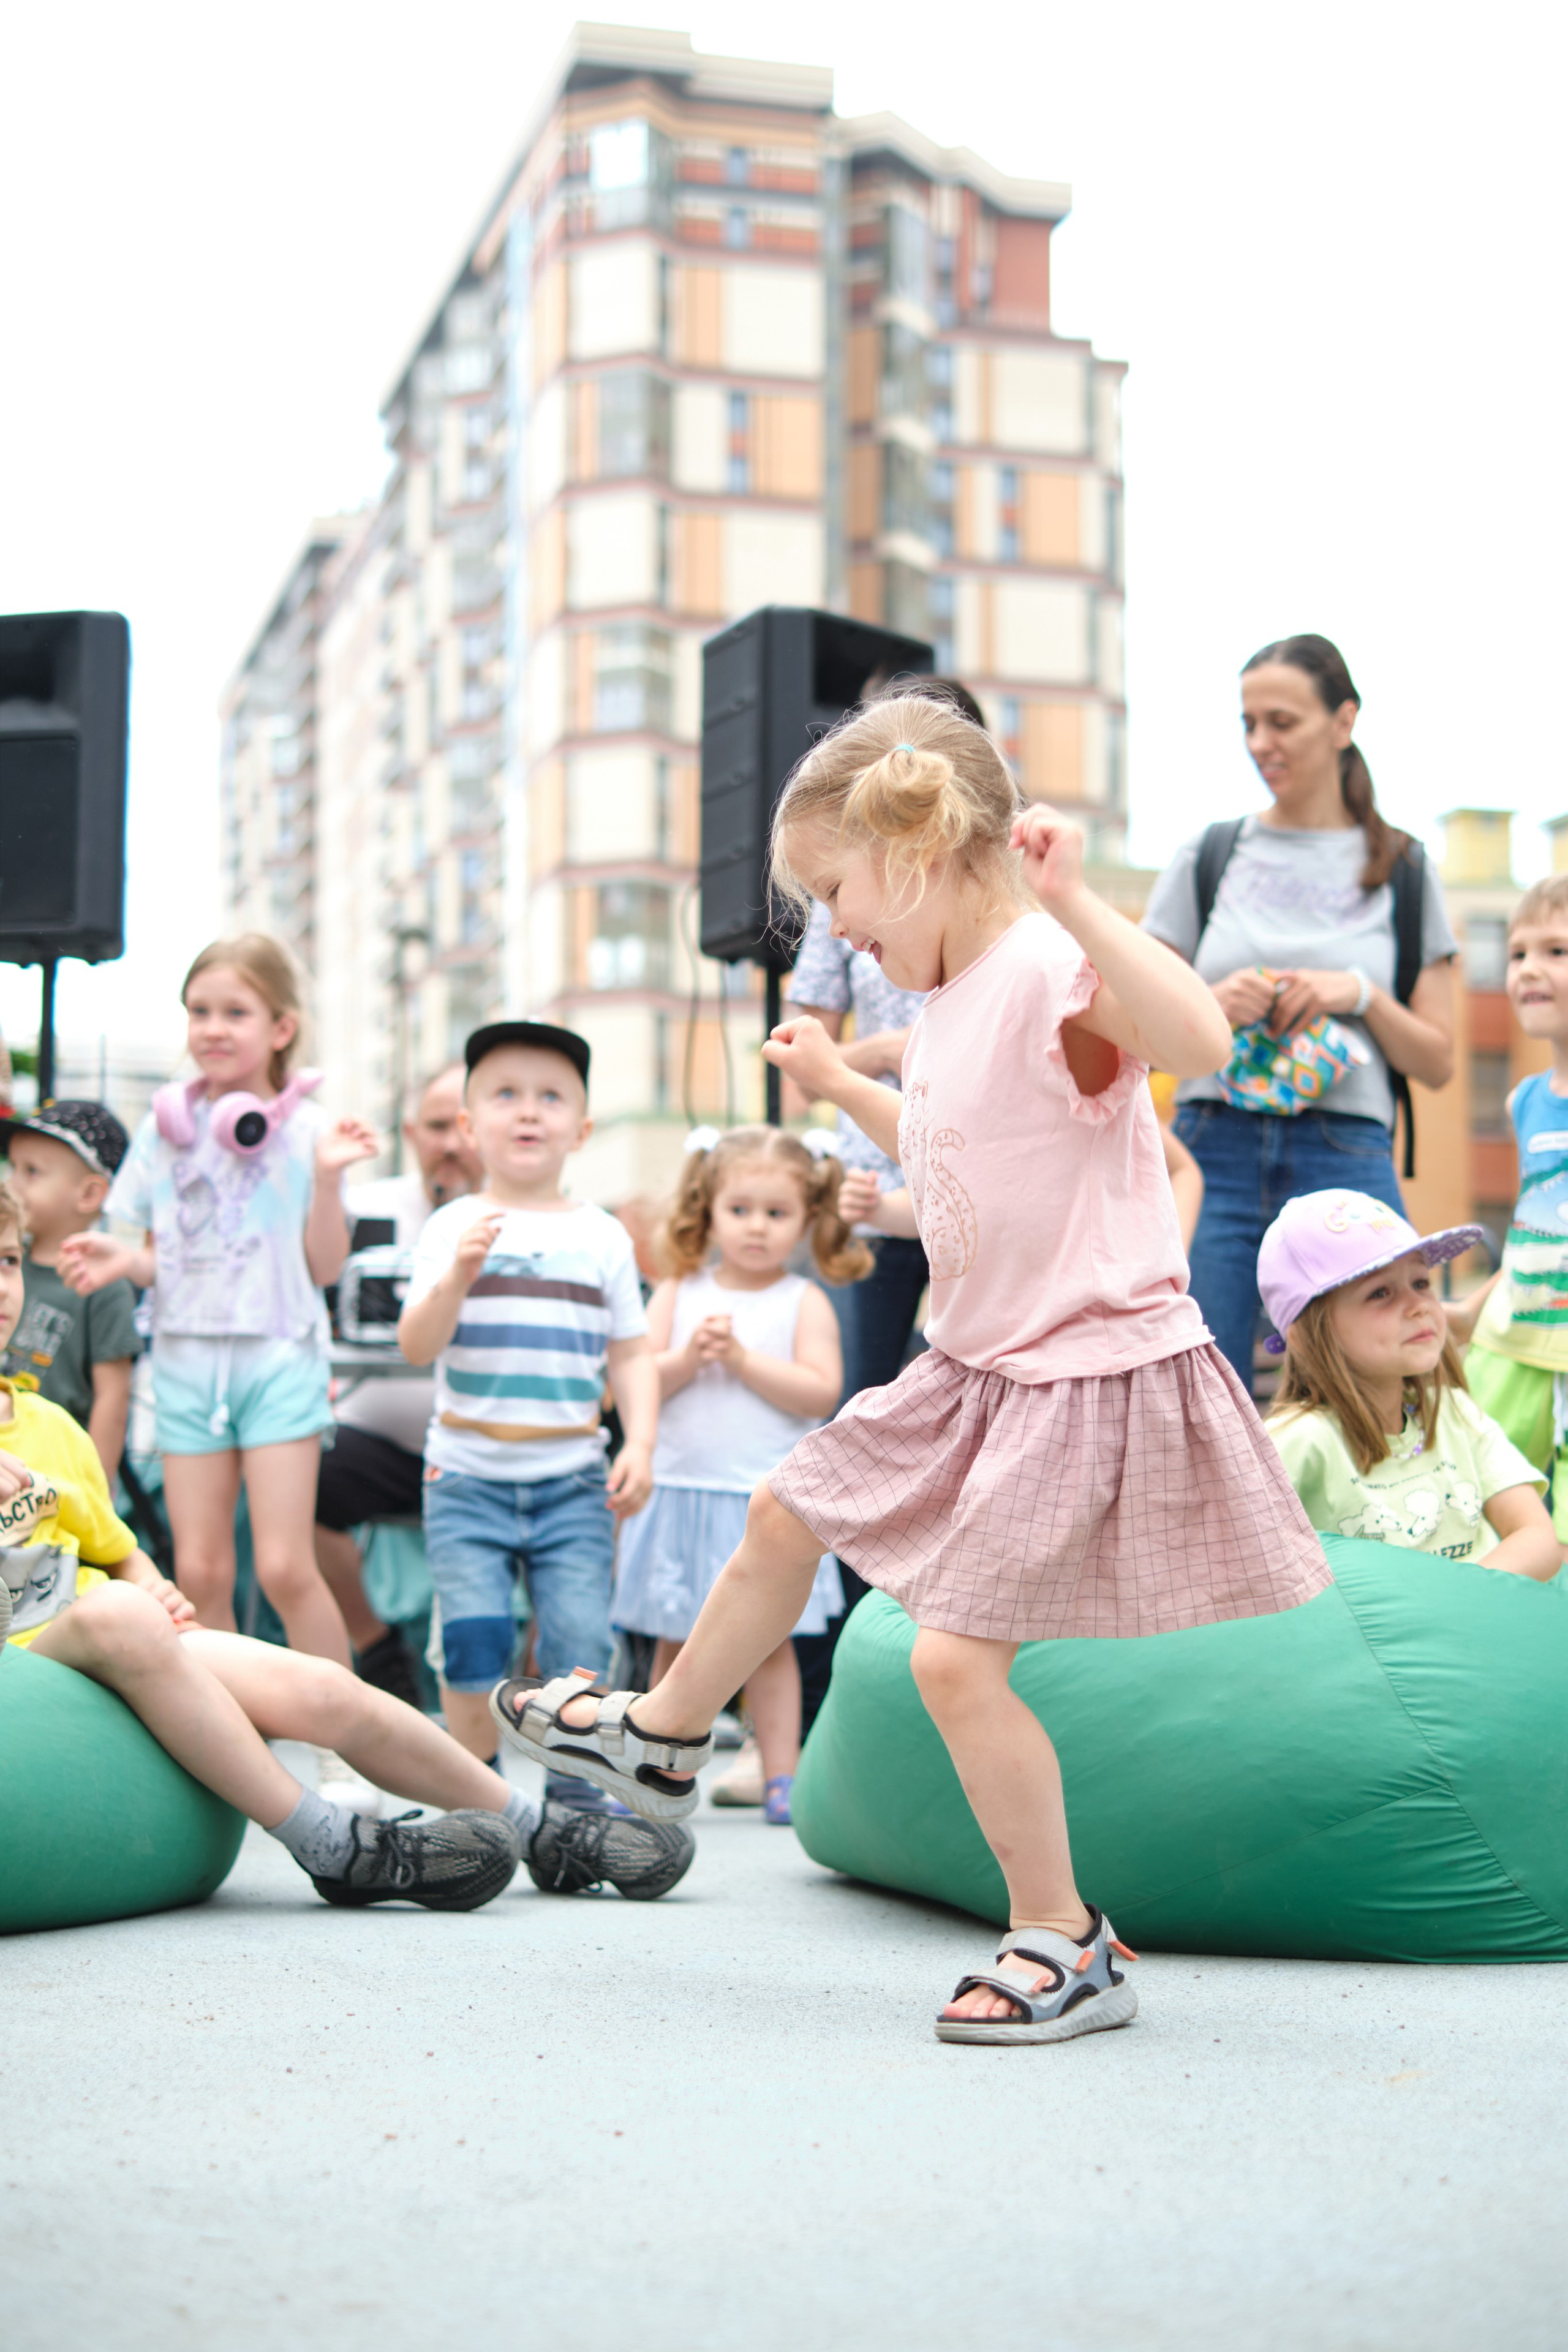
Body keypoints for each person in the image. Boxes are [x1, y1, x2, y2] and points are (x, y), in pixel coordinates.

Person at [492, 690, 1330, 2046]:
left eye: (835, 888)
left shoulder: (1051, 970)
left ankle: (1063, 1936)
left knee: (952, 1663)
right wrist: (836, 1084)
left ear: (921, 844)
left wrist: (1080, 904)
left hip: (1082, 1368)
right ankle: (661, 1734)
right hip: (978, 1361)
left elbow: (1197, 1043)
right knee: (785, 1506)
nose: (833, 927)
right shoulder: (940, 1006)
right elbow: (952, 1136)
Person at [0, 1176, 527, 1909]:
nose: (2, 1285)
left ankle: (540, 1830)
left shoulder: (52, 1426)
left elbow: (115, 1549)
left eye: (9, 1261)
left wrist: (153, 1586)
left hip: (107, 1634)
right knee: (119, 1614)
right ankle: (329, 1843)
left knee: (323, 1686)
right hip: (28, 1661)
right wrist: (132, 1605)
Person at [398, 1020, 690, 1894]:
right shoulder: (449, 1224)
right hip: (468, 1479)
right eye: (506, 1094)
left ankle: (575, 1812)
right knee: (475, 1642)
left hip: (570, 1479)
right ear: (468, 1122)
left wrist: (638, 1442)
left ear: (583, 1128)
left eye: (551, 1096)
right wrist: (455, 1277)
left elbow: (631, 1354)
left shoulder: (600, 1235)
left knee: (577, 1645)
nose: (529, 1112)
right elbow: (418, 1345)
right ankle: (480, 1804)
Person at [1141, 634, 1457, 1389]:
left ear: (1342, 721)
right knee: (1191, 1390)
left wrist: (1359, 994)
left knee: (1387, 1394)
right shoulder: (1207, 855)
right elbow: (1128, 1030)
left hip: (1345, 1153)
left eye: (1281, 722)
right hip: (1207, 1153)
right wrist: (1208, 1007)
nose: (1260, 743)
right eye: (1249, 723)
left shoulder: (1406, 869)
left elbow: (1439, 1061)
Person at [58, 937, 375, 1668]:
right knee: (198, 1574)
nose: (213, 1028)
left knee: (286, 1569)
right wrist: (122, 1260)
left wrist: (327, 1180)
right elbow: (159, 1259)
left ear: (281, 1029)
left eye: (236, 1011)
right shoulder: (164, 1128)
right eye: (199, 1011)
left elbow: (326, 1267)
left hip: (278, 1360)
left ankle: (337, 1747)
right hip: (186, 1363)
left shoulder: (311, 1130)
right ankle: (238, 1741)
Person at [612, 1126, 869, 1825]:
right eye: (740, 1209)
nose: (757, 1227)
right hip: (681, 1491)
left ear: (807, 1220)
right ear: (709, 1209)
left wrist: (745, 1361)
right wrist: (689, 1359)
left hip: (762, 1504)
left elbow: (822, 1392)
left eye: (777, 1213)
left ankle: (781, 1772)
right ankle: (653, 1762)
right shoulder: (677, 1290)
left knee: (769, 1646)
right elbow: (634, 1381)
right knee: (675, 1636)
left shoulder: (802, 1301)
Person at [1259, 1188, 1558, 1577]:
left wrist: (1456, 1608)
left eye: (1420, 1282)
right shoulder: (1296, 1442)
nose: (1419, 1305)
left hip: (1478, 1626)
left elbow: (1537, 1536)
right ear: (1303, 1334)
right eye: (1380, 1293)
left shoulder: (1453, 1410)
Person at [314, 1063, 483, 1703]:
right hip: (379, 1442)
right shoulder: (367, 1210)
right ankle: (373, 1641)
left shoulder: (531, 1217)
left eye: (463, 1126)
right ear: (411, 1132)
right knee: (302, 1480)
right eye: (437, 1126)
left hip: (487, 1442)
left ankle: (532, 1672)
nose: (451, 1144)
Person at [1446, 876, 1568, 1536]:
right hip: (1510, 1343)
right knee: (1471, 1498)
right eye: (1518, 953)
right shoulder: (1524, 1101)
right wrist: (1468, 1311)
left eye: (1556, 951)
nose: (1528, 969)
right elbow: (1531, 1236)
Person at [0, 1101, 137, 1482]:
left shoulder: (104, 1286)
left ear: (89, 1195)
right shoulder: (10, 1265)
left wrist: (96, 1488)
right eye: (13, 1168)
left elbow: (113, 1398)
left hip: (58, 1473)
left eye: (31, 1172)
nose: (12, 1184)